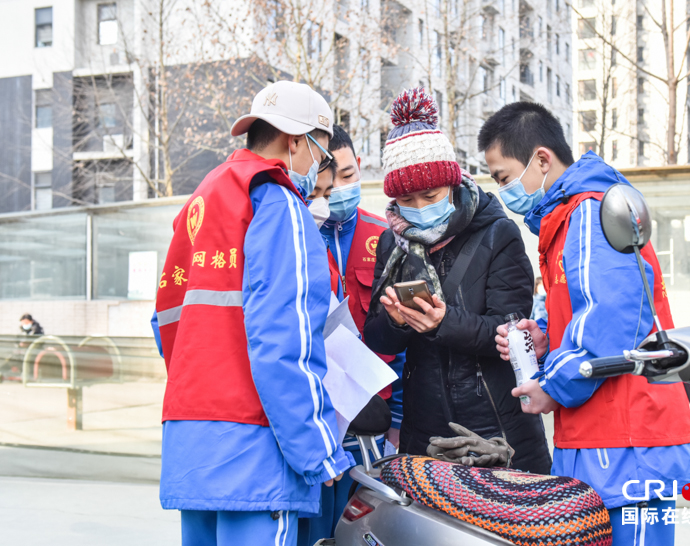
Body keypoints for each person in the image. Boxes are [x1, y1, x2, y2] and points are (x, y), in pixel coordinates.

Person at [480, 101, 690, 545]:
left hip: (625, 439)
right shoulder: (569, 219)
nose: (504, 191)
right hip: (605, 435)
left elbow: (609, 319)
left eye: (504, 177)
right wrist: (543, 336)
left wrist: (551, 385)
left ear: (541, 159)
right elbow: (585, 309)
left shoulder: (590, 212)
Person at [151, 80, 353, 546]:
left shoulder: (203, 200)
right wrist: (320, 451)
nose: (318, 175)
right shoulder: (277, 201)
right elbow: (287, 341)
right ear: (297, 141)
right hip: (258, 447)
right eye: (321, 158)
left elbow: (167, 322)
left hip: (194, 444)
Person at [363, 88, 552, 474]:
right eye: (406, 201)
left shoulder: (499, 234)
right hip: (424, 432)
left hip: (496, 428)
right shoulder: (392, 242)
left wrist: (442, 323)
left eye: (429, 195)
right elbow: (375, 337)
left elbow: (511, 333)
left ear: (451, 183)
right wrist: (397, 322)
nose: (418, 208)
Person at [298, 124, 406, 545]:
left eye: (347, 176)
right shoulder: (298, 228)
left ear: (359, 167)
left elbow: (404, 343)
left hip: (371, 428)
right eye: (328, 182)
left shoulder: (386, 236)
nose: (338, 189)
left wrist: (396, 426)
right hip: (312, 420)